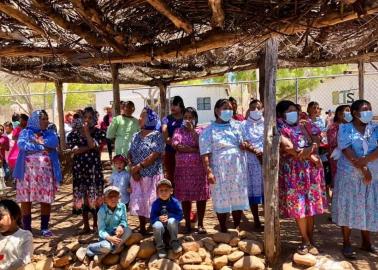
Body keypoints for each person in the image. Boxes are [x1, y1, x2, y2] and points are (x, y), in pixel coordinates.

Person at [277, 100, 327, 255]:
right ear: (281, 114)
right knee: (299, 207)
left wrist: (311, 151)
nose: (294, 113)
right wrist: (310, 156)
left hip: (311, 172)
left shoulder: (305, 124)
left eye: (295, 110)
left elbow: (317, 139)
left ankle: (310, 239)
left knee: (310, 206)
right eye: (290, 110)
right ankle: (304, 239)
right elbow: (288, 148)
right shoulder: (279, 127)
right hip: (294, 172)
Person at [332, 99, 378, 259]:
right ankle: (346, 242)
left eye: (370, 108)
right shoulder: (344, 128)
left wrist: (365, 162)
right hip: (349, 176)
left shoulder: (375, 127)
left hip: (371, 176)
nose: (369, 112)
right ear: (355, 113)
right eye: (365, 109)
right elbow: (346, 150)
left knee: (366, 206)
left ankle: (366, 242)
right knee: (348, 207)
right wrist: (363, 167)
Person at [199, 99, 249, 232]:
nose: (228, 111)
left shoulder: (238, 126)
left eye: (230, 108)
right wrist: (208, 171)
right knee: (221, 197)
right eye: (225, 108)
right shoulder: (209, 130)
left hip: (238, 168)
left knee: (237, 196)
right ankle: (223, 228)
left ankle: (236, 226)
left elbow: (246, 141)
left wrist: (245, 144)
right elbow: (205, 153)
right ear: (216, 111)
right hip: (219, 169)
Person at [14, 110, 62, 237]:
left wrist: (38, 142)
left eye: (47, 119)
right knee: (26, 199)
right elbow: (22, 144)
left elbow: (54, 142)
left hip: (45, 174)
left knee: (45, 199)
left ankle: (44, 228)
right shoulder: (25, 132)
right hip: (26, 174)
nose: (46, 121)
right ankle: (27, 228)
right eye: (43, 119)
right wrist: (42, 147)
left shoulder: (49, 132)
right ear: (36, 120)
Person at [67, 107, 106, 234]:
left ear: (94, 119)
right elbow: (75, 150)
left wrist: (87, 134)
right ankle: (85, 226)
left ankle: (95, 225)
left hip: (93, 169)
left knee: (94, 195)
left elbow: (93, 145)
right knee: (83, 196)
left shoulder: (99, 132)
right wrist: (89, 147)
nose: (87, 120)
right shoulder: (73, 134)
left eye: (90, 117)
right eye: (85, 117)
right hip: (80, 169)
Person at [172, 107, 210, 234]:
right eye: (185, 117)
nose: (188, 120)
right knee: (185, 197)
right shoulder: (178, 130)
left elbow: (203, 145)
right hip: (183, 171)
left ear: (195, 119)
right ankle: (187, 223)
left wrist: (192, 131)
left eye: (190, 117)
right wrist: (194, 150)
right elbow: (177, 146)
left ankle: (200, 224)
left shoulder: (201, 130)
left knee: (200, 196)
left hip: (199, 170)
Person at [129, 107, 164, 235]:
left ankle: (155, 227)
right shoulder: (135, 135)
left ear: (150, 119)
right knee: (140, 200)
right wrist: (133, 169)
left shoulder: (157, 136)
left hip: (152, 175)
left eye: (142, 116)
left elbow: (155, 154)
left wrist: (139, 167)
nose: (139, 118)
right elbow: (130, 153)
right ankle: (142, 227)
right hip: (138, 176)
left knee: (152, 201)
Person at [86, 186, 132, 262]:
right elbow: (101, 231)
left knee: (128, 230)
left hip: (118, 234)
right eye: (110, 196)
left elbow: (124, 220)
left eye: (115, 196)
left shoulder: (122, 206)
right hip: (107, 237)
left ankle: (113, 248)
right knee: (106, 246)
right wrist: (110, 238)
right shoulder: (101, 211)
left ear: (119, 197)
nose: (113, 198)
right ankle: (91, 247)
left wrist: (121, 226)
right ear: (105, 200)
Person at [241, 100, 264, 229]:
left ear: (263, 109)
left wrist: (264, 154)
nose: (256, 110)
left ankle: (268, 218)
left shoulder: (267, 123)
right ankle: (256, 219)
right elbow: (243, 141)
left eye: (258, 107)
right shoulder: (243, 125)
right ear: (249, 109)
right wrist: (255, 151)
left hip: (265, 161)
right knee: (252, 192)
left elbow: (271, 138)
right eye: (253, 107)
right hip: (250, 161)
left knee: (266, 190)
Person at [151, 179, 183, 258]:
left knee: (172, 221)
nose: (164, 193)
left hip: (171, 225)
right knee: (157, 226)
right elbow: (152, 218)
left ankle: (174, 242)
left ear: (171, 191)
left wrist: (170, 216)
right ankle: (160, 247)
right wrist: (158, 218)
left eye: (166, 190)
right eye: (161, 191)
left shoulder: (175, 202)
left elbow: (180, 215)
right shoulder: (155, 203)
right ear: (157, 192)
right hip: (161, 225)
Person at [0, 199, 33, 270]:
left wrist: (3, 268)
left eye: (0, 217)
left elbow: (24, 259)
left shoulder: (24, 236)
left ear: (14, 217)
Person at [162, 96, 185, 184]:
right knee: (171, 176)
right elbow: (165, 136)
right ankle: (172, 196)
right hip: (170, 152)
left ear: (181, 106)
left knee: (184, 177)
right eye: (171, 105)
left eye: (175, 105)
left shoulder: (186, 118)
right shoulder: (166, 119)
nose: (172, 107)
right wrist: (176, 144)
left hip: (185, 153)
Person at [326, 105, 351, 184]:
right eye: (347, 111)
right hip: (338, 157)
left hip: (350, 156)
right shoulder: (334, 127)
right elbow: (332, 142)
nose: (349, 113)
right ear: (339, 114)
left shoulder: (349, 126)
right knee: (339, 180)